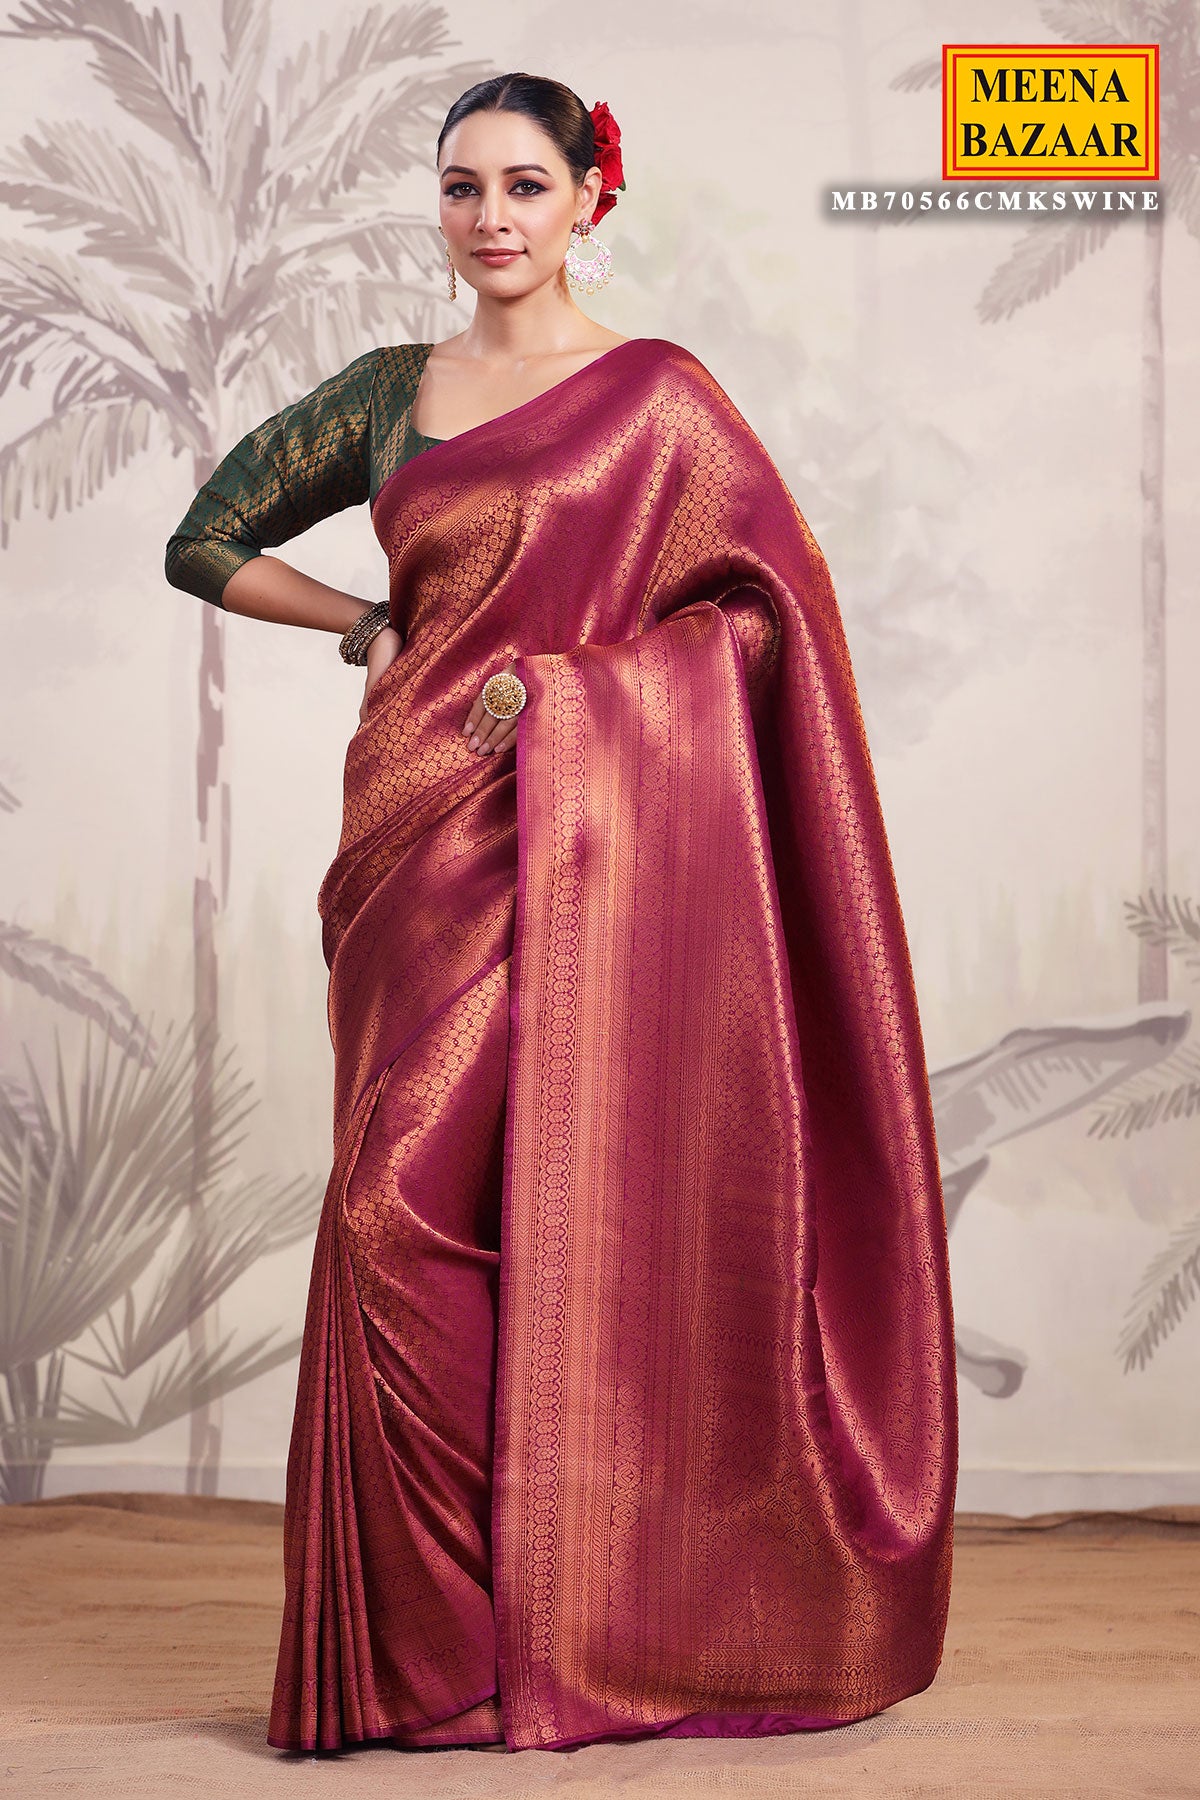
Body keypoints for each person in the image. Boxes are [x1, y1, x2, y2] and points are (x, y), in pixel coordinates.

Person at [164, 72, 958, 1758]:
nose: (492, 217)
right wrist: (366, 624)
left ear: (592, 196)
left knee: (521, 1209)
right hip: (413, 846)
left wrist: (581, 697)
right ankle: (439, 1655)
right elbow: (203, 538)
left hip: (589, 839)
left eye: (526, 184)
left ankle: (567, 1620)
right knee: (391, 1215)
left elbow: (768, 620)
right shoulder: (390, 397)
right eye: (463, 186)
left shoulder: (658, 400)